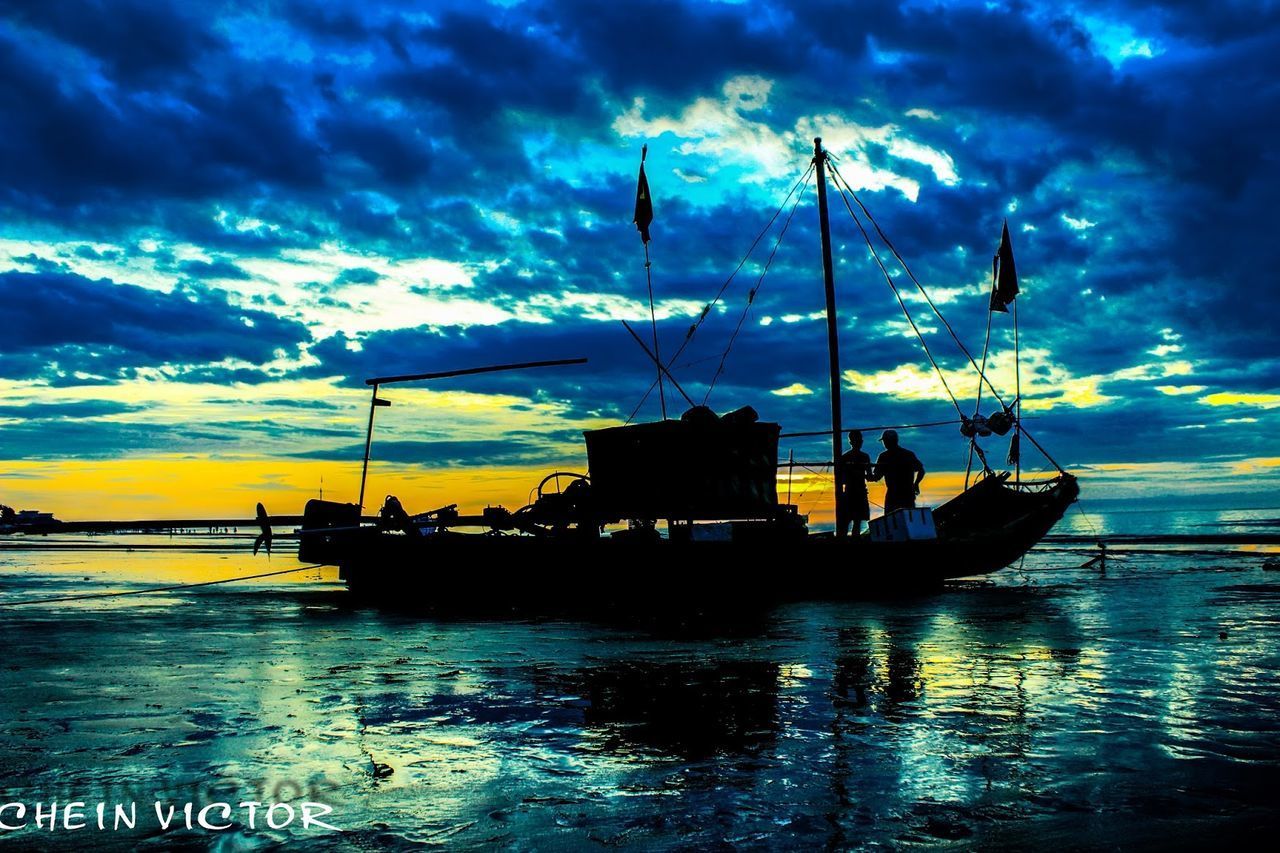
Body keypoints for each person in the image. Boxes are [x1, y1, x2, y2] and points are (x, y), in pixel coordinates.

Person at [869, 429, 925, 514]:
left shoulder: (884, 457)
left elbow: (876, 477)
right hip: (908, 494)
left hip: (893, 495)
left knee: (892, 521)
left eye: (884, 441)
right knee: (909, 518)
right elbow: (921, 470)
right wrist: (916, 484)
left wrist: (866, 474)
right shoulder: (908, 454)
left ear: (887, 441)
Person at [837, 430, 872, 536]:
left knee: (850, 523)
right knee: (852, 523)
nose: (860, 442)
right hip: (853, 493)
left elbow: (841, 479)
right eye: (858, 440)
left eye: (860, 440)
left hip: (854, 493)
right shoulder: (862, 457)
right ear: (852, 442)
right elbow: (869, 476)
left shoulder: (846, 457)